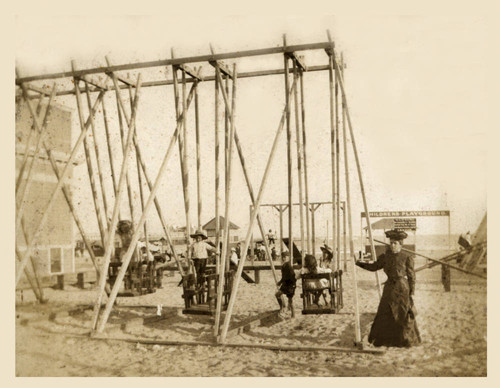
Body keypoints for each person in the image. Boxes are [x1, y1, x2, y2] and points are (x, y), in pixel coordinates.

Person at [355, 229, 421, 347]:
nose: (392, 245)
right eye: (391, 243)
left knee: (403, 313)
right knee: (384, 312)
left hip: (402, 288)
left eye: (395, 243)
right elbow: (374, 267)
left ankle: (404, 340)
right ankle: (383, 340)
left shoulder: (406, 257)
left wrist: (412, 291)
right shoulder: (385, 257)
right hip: (389, 288)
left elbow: (412, 276)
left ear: (400, 245)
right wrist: (359, 263)